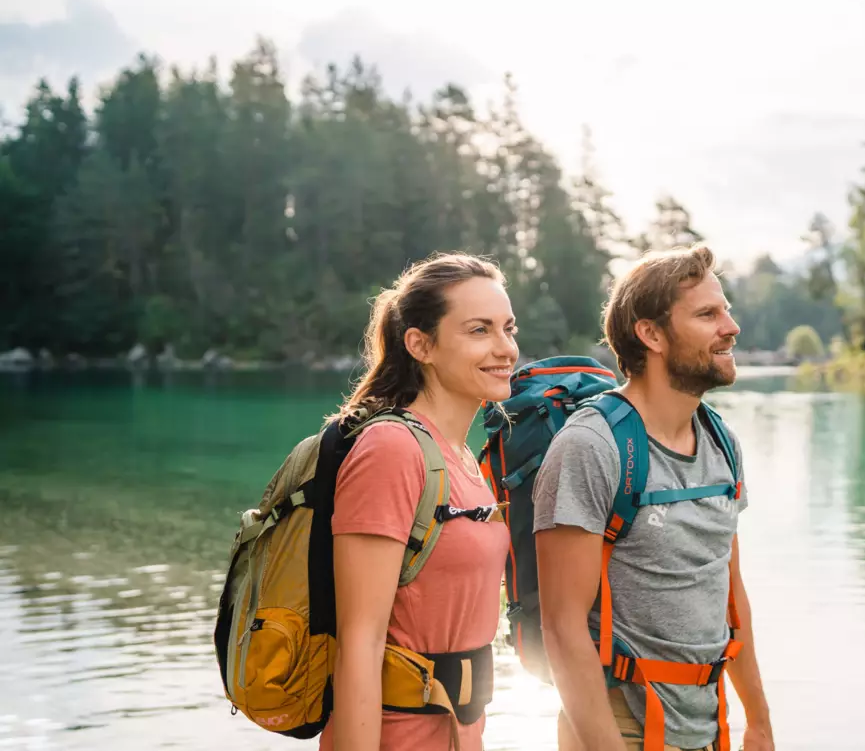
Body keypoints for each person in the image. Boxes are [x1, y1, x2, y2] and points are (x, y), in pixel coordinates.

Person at [532, 244, 774, 751]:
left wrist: (758, 721)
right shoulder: (591, 446)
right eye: (708, 314)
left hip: (710, 728)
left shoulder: (721, 442)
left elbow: (731, 594)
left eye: (725, 310)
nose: (731, 326)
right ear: (651, 333)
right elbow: (562, 625)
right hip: (618, 725)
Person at [318, 253, 518, 751]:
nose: (505, 349)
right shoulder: (391, 451)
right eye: (479, 331)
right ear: (420, 345)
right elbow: (359, 645)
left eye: (508, 329)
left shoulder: (462, 457)